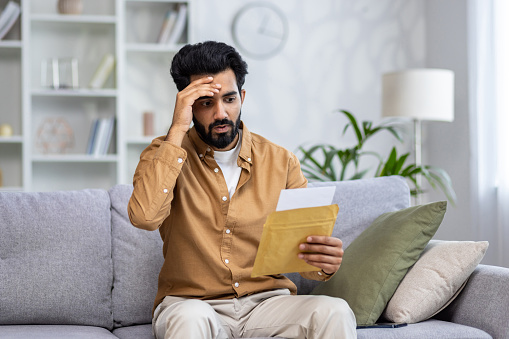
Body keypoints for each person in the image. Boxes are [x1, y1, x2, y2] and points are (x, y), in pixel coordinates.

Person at [128, 41, 356, 339]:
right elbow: (144, 217)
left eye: (229, 99)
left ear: (242, 97)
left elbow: (305, 261)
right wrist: (177, 130)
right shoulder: (164, 154)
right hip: (192, 305)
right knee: (191, 319)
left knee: (334, 311)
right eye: (206, 103)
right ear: (187, 104)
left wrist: (323, 264)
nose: (221, 114)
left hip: (266, 305)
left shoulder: (281, 161)